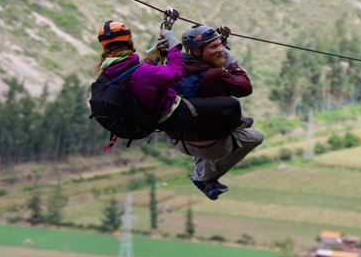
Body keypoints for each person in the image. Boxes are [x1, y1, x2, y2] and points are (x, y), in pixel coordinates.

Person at [93, 20, 243, 142]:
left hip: (148, 117)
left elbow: (136, 75)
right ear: (129, 41)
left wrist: (156, 54)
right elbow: (176, 72)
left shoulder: (110, 69)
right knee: (231, 105)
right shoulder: (141, 72)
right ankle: (233, 133)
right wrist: (174, 47)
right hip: (173, 113)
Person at [172, 24, 263, 200]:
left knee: (201, 117)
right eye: (214, 47)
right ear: (196, 52)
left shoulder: (175, 68)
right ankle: (206, 177)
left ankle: (205, 175)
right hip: (212, 146)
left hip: (181, 140)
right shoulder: (214, 75)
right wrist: (232, 62)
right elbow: (244, 87)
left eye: (220, 45)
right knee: (255, 136)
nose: (220, 49)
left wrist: (220, 43)